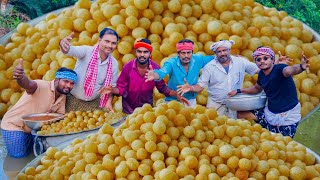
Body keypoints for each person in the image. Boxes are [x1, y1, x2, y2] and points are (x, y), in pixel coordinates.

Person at [1, 59, 77, 158]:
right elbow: (27, 84)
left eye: (71, 83)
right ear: (57, 80)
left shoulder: (63, 97)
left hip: (33, 129)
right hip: (15, 125)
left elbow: (59, 118)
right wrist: (20, 77)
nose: (68, 86)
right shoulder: (41, 85)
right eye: (65, 81)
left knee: (36, 154)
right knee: (19, 156)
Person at [227, 46, 309, 137]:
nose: (262, 61)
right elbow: (256, 89)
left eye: (265, 58)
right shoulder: (262, 75)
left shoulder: (280, 69)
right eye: (258, 59)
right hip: (270, 113)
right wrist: (238, 90)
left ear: (272, 59)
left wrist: (301, 67)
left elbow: (290, 70)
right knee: (240, 114)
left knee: (281, 143)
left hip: (287, 116)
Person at [99, 38, 189, 114]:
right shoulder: (128, 67)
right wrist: (111, 94)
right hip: (128, 113)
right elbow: (121, 89)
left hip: (147, 113)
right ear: (136, 52)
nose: (142, 55)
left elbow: (162, 88)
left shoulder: (155, 68)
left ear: (150, 53)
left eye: (145, 52)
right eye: (139, 51)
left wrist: (176, 94)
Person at [177, 40, 259, 117]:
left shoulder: (240, 62)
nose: (222, 53)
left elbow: (258, 70)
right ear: (215, 53)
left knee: (233, 128)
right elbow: (200, 86)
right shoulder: (209, 67)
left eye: (225, 50)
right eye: (219, 51)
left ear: (229, 50)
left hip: (234, 105)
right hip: (215, 108)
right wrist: (191, 88)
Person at [59, 28, 119, 112]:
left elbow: (111, 87)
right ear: (99, 40)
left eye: (113, 43)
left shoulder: (114, 64)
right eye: (107, 41)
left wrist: (108, 102)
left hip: (94, 103)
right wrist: (63, 44)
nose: (110, 46)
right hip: (72, 99)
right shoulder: (86, 51)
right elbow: (69, 50)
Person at [145, 39, 214, 107]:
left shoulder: (198, 60)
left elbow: (214, 58)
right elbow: (162, 72)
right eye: (183, 53)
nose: (186, 56)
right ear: (178, 53)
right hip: (173, 101)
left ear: (192, 52)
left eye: (188, 53)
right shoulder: (172, 63)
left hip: (190, 101)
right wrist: (154, 75)